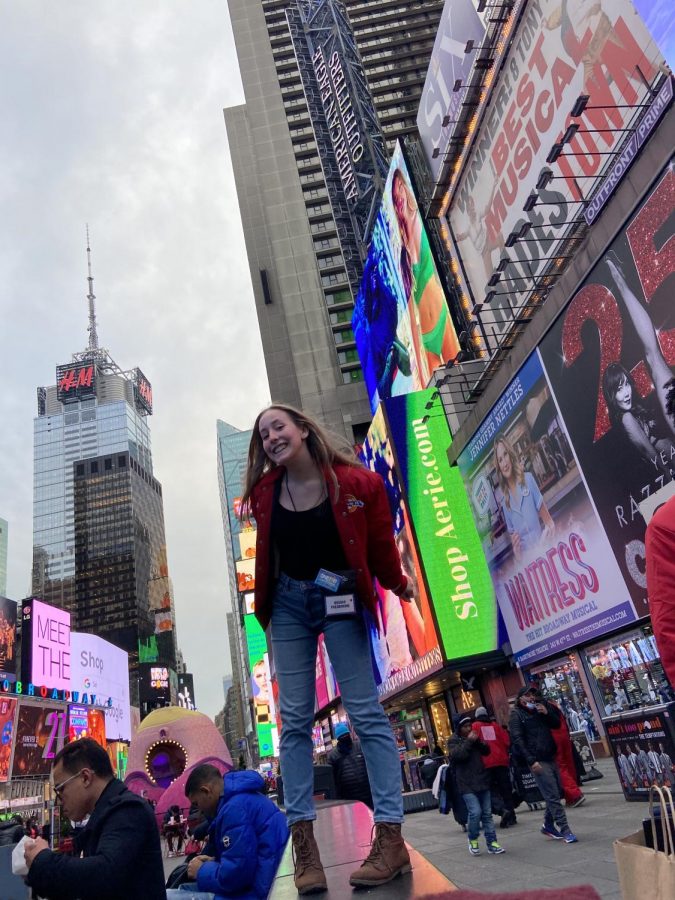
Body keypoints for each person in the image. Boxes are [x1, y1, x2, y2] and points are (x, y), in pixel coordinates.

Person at [241, 404, 414, 892]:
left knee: (365, 712)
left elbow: (379, 546)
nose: (272, 437)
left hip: (339, 596)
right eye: (264, 434)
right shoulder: (264, 493)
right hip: (291, 604)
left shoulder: (358, 486)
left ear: (301, 429)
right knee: (292, 721)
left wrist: (398, 585)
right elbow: (272, 556)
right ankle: (305, 847)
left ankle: (391, 837)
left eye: (279, 426)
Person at [24, 737, 166, 900]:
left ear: (85, 777)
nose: (59, 799)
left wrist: (42, 860)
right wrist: (35, 867)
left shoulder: (128, 810)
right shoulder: (105, 814)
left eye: (60, 789)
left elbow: (104, 873)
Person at [166, 763, 288, 900]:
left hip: (256, 892)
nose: (199, 810)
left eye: (196, 803)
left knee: (169, 896)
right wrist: (215, 860)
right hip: (263, 881)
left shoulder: (234, 810)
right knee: (180, 890)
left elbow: (237, 876)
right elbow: (243, 859)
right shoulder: (241, 799)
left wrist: (201, 871)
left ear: (206, 791)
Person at [391, 168, 460, 377]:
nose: (399, 197)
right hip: (425, 337)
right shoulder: (402, 250)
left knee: (468, 376)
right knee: (448, 402)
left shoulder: (423, 221)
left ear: (405, 188)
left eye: (400, 188)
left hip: (442, 316)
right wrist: (418, 364)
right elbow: (411, 312)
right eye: (395, 197)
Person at [509, 687, 578, 843]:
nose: (531, 698)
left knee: (556, 792)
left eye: (533, 694)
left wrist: (546, 713)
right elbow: (518, 740)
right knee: (552, 795)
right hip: (537, 759)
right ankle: (565, 829)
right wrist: (531, 760)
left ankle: (548, 824)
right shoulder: (517, 715)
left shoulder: (540, 709)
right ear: (521, 698)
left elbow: (555, 724)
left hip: (550, 754)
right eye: (527, 695)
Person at [449, 714, 505, 856]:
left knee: (487, 813)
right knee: (475, 812)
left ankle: (492, 842)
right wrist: (469, 742)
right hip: (466, 783)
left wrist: (478, 742)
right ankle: (473, 838)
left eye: (470, 726)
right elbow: (458, 755)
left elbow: (487, 751)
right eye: (465, 726)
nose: (469, 729)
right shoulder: (453, 741)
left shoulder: (475, 738)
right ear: (459, 728)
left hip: (482, 779)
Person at [493, 434, 555, 560]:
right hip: (530, 566)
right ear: (499, 467)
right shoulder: (505, 505)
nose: (504, 463)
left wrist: (548, 538)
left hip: (546, 555)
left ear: (510, 455)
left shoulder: (528, 480)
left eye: (505, 455)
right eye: (500, 460)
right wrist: (517, 553)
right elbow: (518, 556)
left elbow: (549, 523)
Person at [471, 706, 516, 827]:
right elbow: (507, 742)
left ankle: (502, 811)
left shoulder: (475, 726)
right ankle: (512, 815)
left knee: (491, 791)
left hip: (486, 763)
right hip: (501, 761)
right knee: (506, 790)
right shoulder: (496, 726)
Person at [327, 722, 374, 809]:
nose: (345, 737)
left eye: (346, 734)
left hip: (367, 795)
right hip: (348, 799)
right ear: (338, 739)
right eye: (343, 736)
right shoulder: (333, 756)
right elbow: (332, 780)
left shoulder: (359, 747)